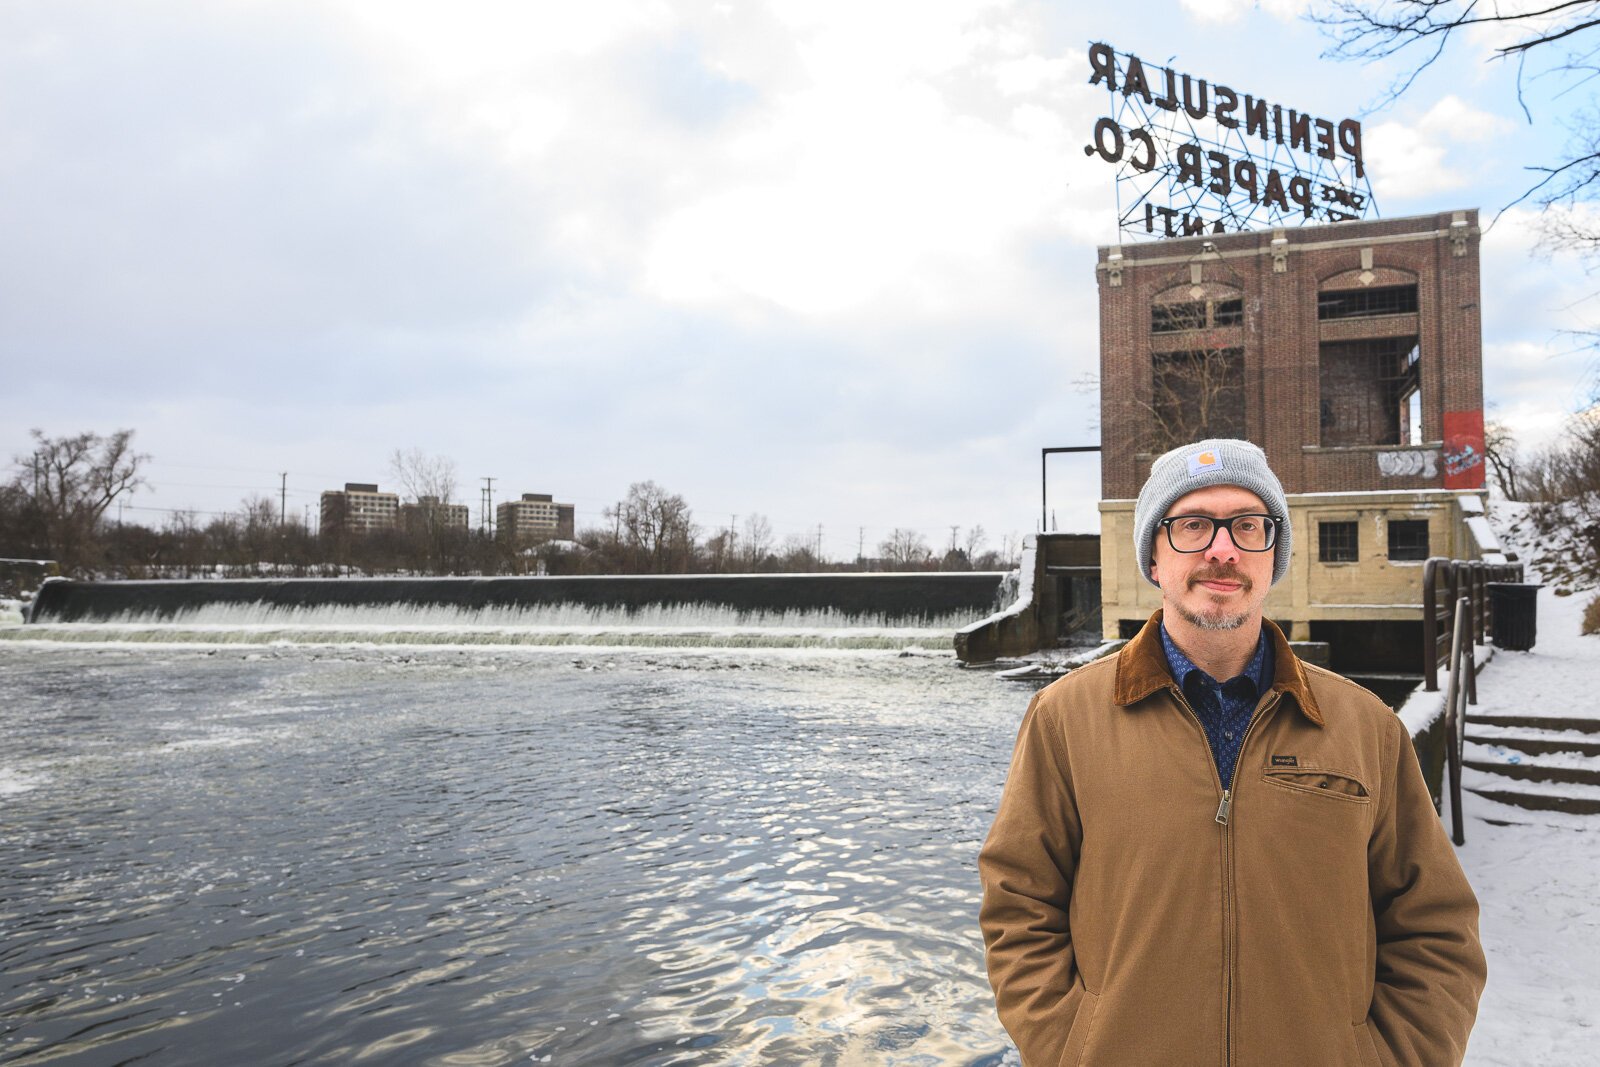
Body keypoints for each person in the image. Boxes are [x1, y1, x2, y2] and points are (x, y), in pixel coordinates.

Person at [978, 438, 1486, 1067]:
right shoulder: (1065, 719)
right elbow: (1018, 906)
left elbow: (1435, 927)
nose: (1223, 548)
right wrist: (1073, 1047)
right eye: (1192, 524)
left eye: (1248, 526)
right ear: (1153, 558)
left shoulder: (1366, 727)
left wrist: (1389, 1057)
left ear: (1273, 556)